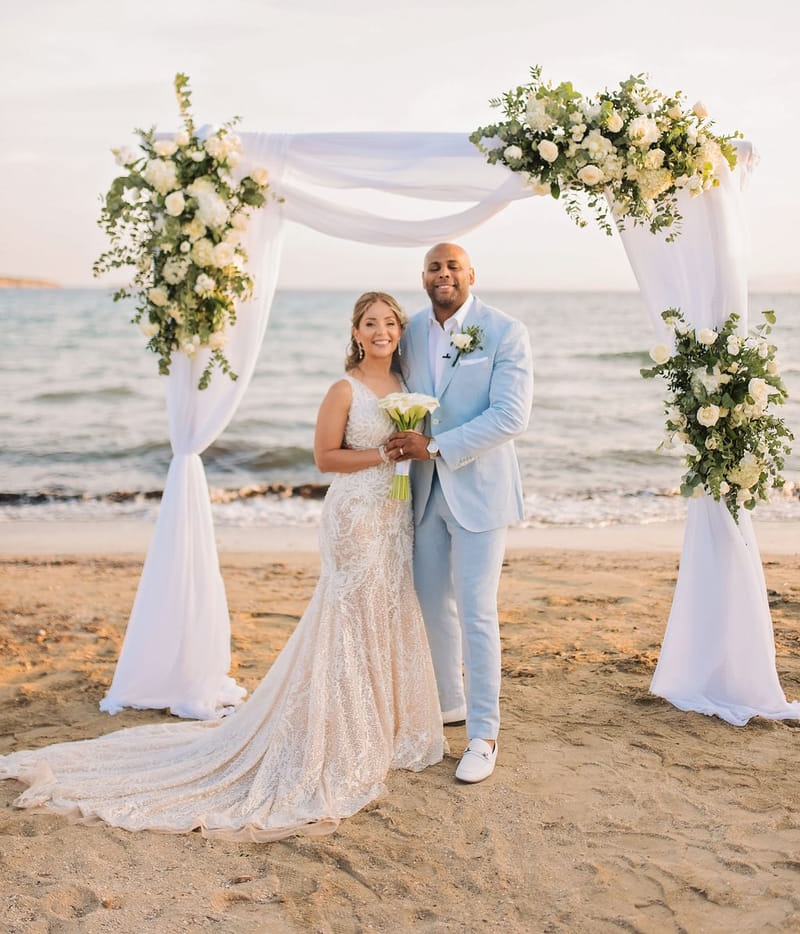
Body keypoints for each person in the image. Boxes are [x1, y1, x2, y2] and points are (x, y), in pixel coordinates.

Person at [0, 292, 444, 841]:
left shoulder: (406, 385)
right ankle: (340, 733)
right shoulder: (344, 388)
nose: (381, 331)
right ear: (355, 332)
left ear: (400, 330)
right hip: (354, 517)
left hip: (393, 515)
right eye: (370, 323)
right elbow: (324, 458)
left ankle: (380, 725)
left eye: (390, 323)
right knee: (348, 618)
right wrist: (384, 455)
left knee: (386, 609)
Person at [385, 244, 533, 784]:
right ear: (423, 277)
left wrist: (436, 446)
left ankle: (484, 735)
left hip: (480, 491)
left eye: (452, 266)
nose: (443, 274)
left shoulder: (505, 331)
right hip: (424, 493)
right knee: (430, 602)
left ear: (471, 273)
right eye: (434, 267)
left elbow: (511, 416)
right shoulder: (409, 331)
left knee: (476, 610)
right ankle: (450, 703)